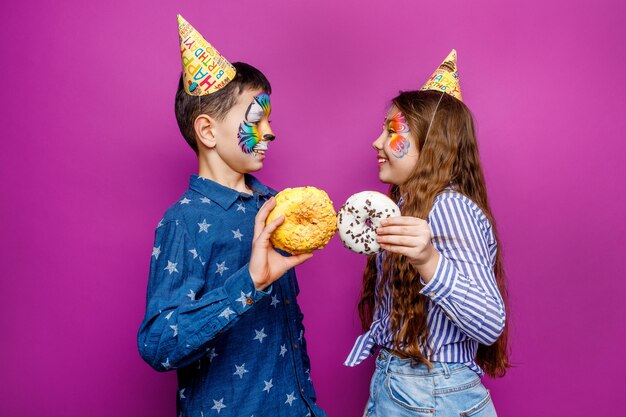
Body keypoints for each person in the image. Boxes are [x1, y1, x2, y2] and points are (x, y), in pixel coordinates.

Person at [138, 15, 326, 417]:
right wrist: (250, 283)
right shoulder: (184, 222)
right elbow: (158, 343)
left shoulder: (274, 207)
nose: (271, 132)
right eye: (257, 120)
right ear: (207, 131)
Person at [345, 50, 509, 417]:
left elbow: (490, 323)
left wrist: (429, 260)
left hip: (432, 395)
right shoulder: (411, 205)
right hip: (412, 390)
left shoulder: (447, 207)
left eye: (391, 131)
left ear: (431, 145)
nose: (376, 142)